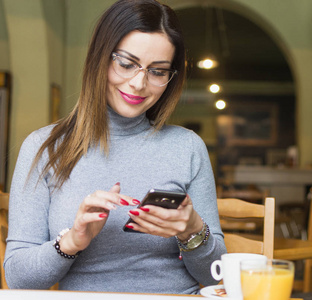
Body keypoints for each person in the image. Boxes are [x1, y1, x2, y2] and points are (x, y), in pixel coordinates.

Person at [4, 0, 226, 294]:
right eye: (126, 64)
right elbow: (19, 279)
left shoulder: (187, 147)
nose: (138, 83)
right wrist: (72, 241)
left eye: (157, 71)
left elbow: (216, 276)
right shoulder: (45, 148)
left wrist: (193, 230)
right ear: (100, 57)